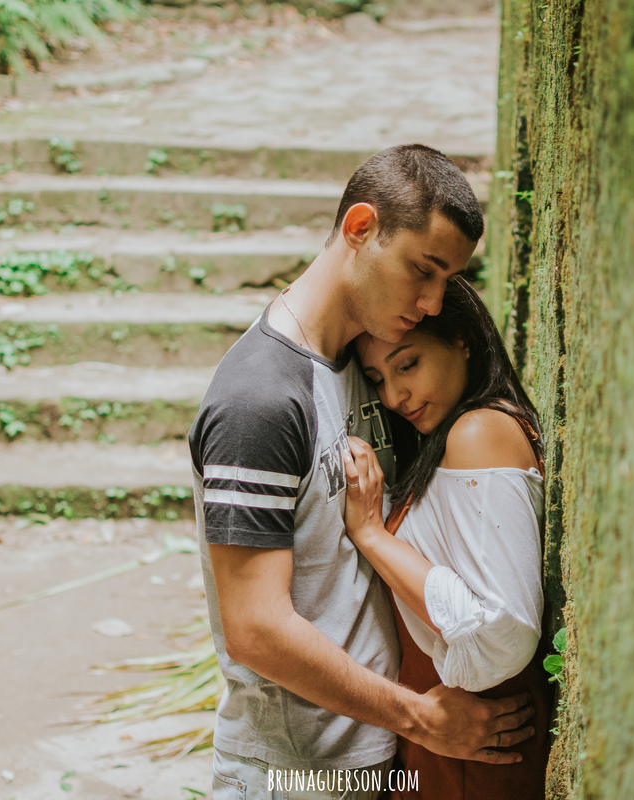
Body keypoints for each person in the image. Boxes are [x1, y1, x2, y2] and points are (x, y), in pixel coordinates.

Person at [188, 145, 536, 799]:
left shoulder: (362, 361)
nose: (433, 302)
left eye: (449, 281)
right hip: (292, 775)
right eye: (423, 271)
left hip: (375, 758)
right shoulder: (259, 399)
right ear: (360, 228)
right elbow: (255, 629)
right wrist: (422, 719)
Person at [342, 276, 550, 799]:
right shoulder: (450, 436)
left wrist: (371, 535)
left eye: (408, 365)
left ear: (462, 339)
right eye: (377, 379)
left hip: (475, 752)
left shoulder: (478, 433)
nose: (394, 396)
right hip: (448, 749)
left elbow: (502, 633)